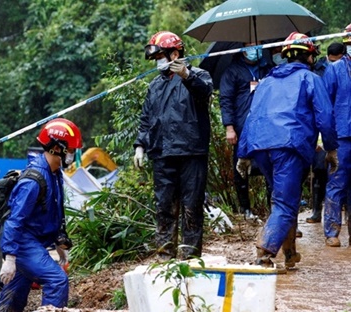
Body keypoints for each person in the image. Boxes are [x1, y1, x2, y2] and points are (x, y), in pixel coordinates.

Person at [237, 32, 338, 269]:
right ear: (310, 57)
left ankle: (290, 253)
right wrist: (332, 149)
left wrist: (243, 154)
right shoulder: (310, 79)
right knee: (285, 203)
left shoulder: (267, 82)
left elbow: (250, 118)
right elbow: (325, 115)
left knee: (284, 198)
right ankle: (264, 252)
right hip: (289, 147)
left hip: (262, 147)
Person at [0, 118, 78, 312]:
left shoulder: (54, 174)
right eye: (71, 150)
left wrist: (59, 241)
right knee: (57, 280)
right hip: (23, 243)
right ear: (57, 148)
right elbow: (15, 221)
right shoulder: (33, 180)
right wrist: (10, 257)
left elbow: (53, 212)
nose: (73, 155)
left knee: (14, 297)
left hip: (34, 242)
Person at [133, 31, 213, 260]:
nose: (157, 61)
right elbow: (146, 119)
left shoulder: (199, 75)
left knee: (192, 206)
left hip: (192, 152)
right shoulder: (155, 85)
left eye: (160, 56)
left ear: (175, 54)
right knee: (164, 207)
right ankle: (164, 256)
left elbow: (205, 92)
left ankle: (189, 257)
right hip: (162, 153)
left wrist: (187, 75)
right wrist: (140, 145)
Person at [219, 42, 273, 220]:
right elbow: (225, 100)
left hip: (267, 126)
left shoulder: (267, 67)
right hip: (242, 127)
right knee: (241, 168)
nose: (254, 48)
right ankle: (245, 209)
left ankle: (272, 207)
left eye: (257, 45)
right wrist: (229, 127)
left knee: (270, 167)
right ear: (243, 48)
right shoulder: (232, 71)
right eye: (250, 45)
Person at [307, 42, 346, 223]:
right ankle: (323, 219)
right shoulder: (327, 70)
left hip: (338, 132)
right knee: (328, 175)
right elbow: (323, 107)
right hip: (335, 133)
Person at [322, 24, 351, 247]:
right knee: (337, 181)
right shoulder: (335, 69)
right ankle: (331, 231)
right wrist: (324, 136)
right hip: (341, 134)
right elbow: (324, 104)